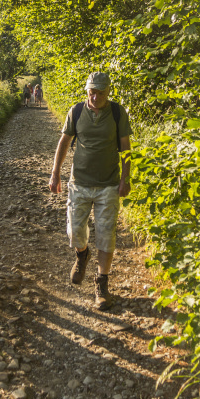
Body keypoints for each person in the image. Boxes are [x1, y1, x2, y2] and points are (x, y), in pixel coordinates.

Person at [49, 72, 131, 310]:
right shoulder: (76, 111)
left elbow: (125, 147)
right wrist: (55, 173)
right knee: (75, 232)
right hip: (79, 183)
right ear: (87, 90)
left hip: (109, 184)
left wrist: (126, 178)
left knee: (106, 235)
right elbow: (64, 142)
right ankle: (82, 255)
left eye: (100, 93)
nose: (95, 97)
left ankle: (102, 282)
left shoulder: (117, 113)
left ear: (108, 92)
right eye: (92, 92)